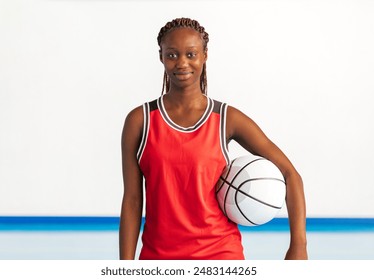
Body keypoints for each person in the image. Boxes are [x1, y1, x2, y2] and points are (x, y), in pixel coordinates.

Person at [120, 17, 308, 260]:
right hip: (159, 258)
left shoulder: (227, 119)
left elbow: (290, 174)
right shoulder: (140, 121)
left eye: (191, 54)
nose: (182, 63)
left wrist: (299, 245)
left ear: (205, 55)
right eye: (172, 55)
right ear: (161, 56)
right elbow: (133, 201)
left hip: (220, 256)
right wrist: (125, 267)